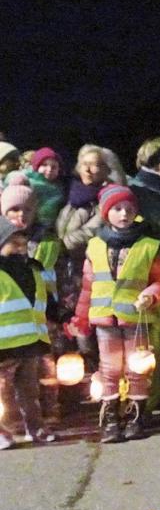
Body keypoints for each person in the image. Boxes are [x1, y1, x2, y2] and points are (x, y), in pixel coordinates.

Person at [69, 185, 160, 443]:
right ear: (106, 213)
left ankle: (137, 415)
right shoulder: (94, 246)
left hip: (136, 319)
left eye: (129, 209)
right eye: (117, 209)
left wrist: (151, 295)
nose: (124, 214)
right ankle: (111, 417)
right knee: (110, 369)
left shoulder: (150, 245)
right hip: (105, 318)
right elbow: (88, 286)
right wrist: (80, 318)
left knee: (138, 368)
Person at [3, 173, 62, 424]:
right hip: (9, 330)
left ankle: (49, 411)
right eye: (14, 210)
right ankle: (11, 418)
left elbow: (55, 274)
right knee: (9, 377)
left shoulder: (46, 239)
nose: (21, 215)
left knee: (46, 369)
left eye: (26, 209)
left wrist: (58, 311)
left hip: (41, 319)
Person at [0, 217, 55, 448]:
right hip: (4, 347)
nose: (21, 241)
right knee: (3, 394)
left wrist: (58, 315)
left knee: (30, 392)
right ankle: (4, 432)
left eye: (22, 237)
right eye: (13, 238)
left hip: (31, 342)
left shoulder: (32, 269)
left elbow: (45, 300)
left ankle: (37, 428)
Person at [25, 147, 67, 229]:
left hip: (48, 224)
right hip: (28, 221)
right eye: (44, 165)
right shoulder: (28, 182)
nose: (49, 169)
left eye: (54, 167)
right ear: (36, 167)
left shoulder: (60, 187)